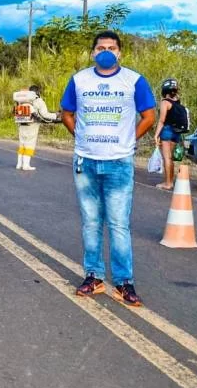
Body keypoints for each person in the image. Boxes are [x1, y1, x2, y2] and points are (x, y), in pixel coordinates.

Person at [60, 30, 155, 307]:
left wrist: (130, 139)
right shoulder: (80, 80)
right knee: (90, 221)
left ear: (120, 53)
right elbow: (67, 112)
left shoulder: (133, 81)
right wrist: (79, 136)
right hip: (85, 160)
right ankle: (94, 276)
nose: (106, 51)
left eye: (112, 48)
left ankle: (125, 282)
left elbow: (149, 116)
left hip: (119, 162)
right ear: (92, 53)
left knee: (118, 223)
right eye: (101, 47)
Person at [13, 84, 60, 171]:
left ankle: (19, 164)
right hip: (32, 125)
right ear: (38, 92)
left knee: (22, 144)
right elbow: (45, 115)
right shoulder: (38, 101)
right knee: (30, 144)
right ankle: (26, 165)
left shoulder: (21, 101)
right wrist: (55, 115)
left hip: (21, 124)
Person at [154, 78, 183, 190]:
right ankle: (170, 181)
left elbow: (162, 120)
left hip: (167, 131)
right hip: (176, 132)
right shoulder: (178, 101)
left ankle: (168, 183)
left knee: (167, 158)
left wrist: (156, 135)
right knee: (170, 158)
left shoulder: (165, 102)